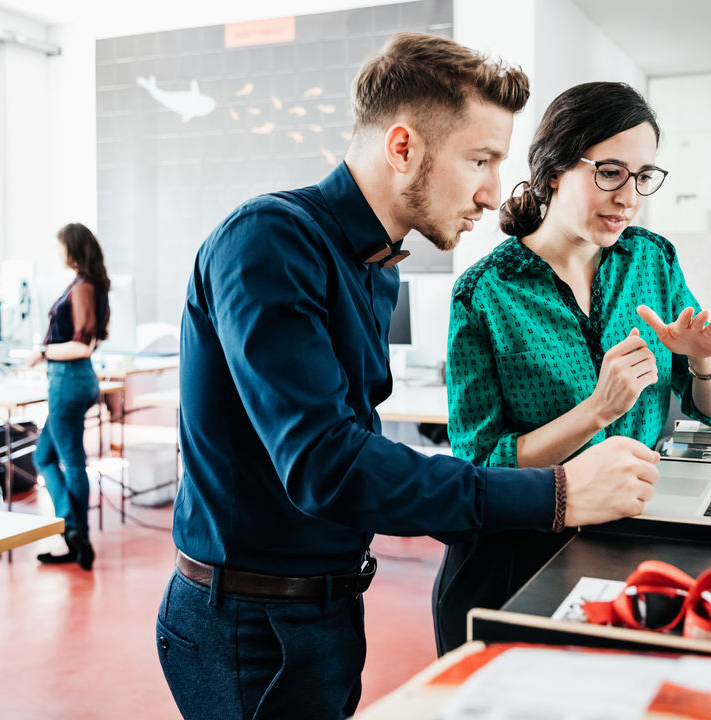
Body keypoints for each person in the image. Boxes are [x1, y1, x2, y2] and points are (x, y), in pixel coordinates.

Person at [157, 33, 662, 720]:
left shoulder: (374, 266)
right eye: (479, 160)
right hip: (251, 625)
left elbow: (361, 455)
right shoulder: (268, 242)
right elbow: (327, 465)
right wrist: (556, 494)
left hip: (322, 609)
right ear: (403, 148)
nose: (492, 193)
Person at [435, 82, 711, 653]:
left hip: (631, 544)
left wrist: (705, 363)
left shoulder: (651, 259)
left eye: (644, 176)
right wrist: (597, 410)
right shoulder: (484, 293)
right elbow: (481, 465)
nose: (629, 197)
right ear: (554, 170)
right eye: (609, 172)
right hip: (518, 560)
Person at [27, 222, 110, 571]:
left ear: (72, 248)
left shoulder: (83, 287)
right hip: (77, 380)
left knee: (72, 463)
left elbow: (81, 345)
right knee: (44, 456)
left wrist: (42, 351)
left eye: (60, 246)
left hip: (69, 381)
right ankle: (73, 532)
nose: (56, 252)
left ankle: (76, 533)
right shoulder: (90, 286)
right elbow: (94, 340)